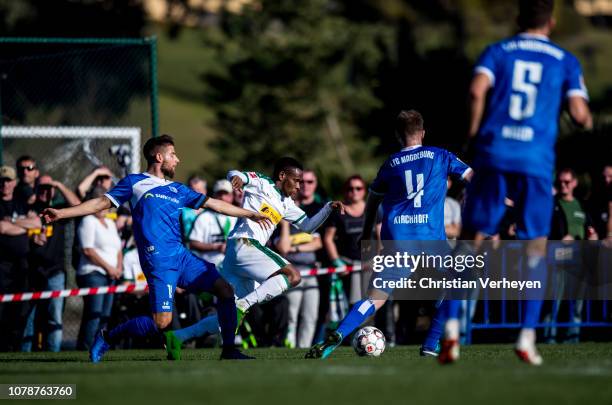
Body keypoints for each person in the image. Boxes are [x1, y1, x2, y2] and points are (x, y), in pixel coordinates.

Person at [41, 134, 272, 361]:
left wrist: (250, 213)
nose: (177, 159)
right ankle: (108, 336)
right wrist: (62, 213)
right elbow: (101, 202)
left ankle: (229, 349)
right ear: (159, 157)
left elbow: (215, 204)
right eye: (173, 154)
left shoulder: (178, 189)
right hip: (158, 261)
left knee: (225, 290)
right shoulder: (134, 182)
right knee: (161, 322)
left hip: (182, 257)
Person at [450, 0, 593, 365]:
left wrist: (471, 135)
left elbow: (475, 91)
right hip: (536, 161)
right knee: (535, 247)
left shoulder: (497, 51)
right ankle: (527, 337)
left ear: (518, 19)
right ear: (553, 22)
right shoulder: (565, 60)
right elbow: (579, 115)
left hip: (494, 153)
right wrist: (587, 123)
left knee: (472, 239)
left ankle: (450, 325)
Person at [306, 110, 472, 360]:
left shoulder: (390, 164)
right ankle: (431, 342)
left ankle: (338, 334)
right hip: (431, 240)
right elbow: (472, 177)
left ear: (397, 136)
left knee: (375, 298)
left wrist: (365, 233)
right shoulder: (441, 155)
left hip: (398, 240)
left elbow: (373, 201)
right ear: (423, 133)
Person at [163, 157, 344, 360]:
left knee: (229, 314)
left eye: (302, 182)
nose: (299, 186)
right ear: (282, 176)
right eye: (297, 180)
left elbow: (309, 226)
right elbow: (235, 173)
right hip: (245, 244)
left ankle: (179, 337)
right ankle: (243, 306)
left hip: (237, 255)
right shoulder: (263, 182)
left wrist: (328, 208)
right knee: (293, 276)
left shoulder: (286, 204)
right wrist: (237, 179)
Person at [22, 175, 81, 352]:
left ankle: (52, 353)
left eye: (49, 188)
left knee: (54, 316)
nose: (46, 191)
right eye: (42, 187)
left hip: (55, 271)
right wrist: (31, 235)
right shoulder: (28, 209)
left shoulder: (59, 210)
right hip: (31, 270)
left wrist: (58, 184)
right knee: (29, 317)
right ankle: (25, 353)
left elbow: (78, 204)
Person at [76, 187, 123, 349]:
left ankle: (98, 347)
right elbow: (88, 249)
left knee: (104, 316)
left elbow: (118, 249)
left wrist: (118, 268)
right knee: (93, 315)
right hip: (93, 274)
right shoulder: (88, 221)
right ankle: (85, 348)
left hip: (111, 275)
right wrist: (109, 268)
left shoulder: (110, 223)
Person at [0, 166, 41, 351]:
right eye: (2, 181)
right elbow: (2, 228)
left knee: (21, 308)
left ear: (14, 182)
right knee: (3, 309)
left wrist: (14, 222)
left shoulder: (21, 203)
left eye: (8, 180)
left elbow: (37, 223)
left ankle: (14, 347)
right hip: (2, 265)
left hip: (22, 265)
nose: (5, 184)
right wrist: (24, 226)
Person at [275, 219, 321, 348]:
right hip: (293, 276)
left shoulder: (307, 223)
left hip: (311, 274)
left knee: (311, 315)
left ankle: (304, 347)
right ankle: (290, 346)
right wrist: (284, 225)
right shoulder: (278, 228)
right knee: (292, 316)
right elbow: (283, 248)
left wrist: (295, 248)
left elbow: (317, 243)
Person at [324, 175, 367, 305]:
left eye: (358, 188)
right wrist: (336, 261)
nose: (354, 191)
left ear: (364, 190)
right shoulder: (338, 212)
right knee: (355, 304)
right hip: (348, 266)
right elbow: (328, 239)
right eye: (350, 188)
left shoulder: (374, 209)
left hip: (370, 265)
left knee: (373, 304)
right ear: (345, 191)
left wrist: (379, 258)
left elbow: (381, 236)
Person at [189, 179, 237, 267]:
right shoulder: (204, 217)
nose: (222, 197)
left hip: (233, 268)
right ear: (214, 195)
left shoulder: (238, 218)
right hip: (210, 268)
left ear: (232, 196)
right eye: (219, 194)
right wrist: (216, 247)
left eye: (226, 194)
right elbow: (193, 244)